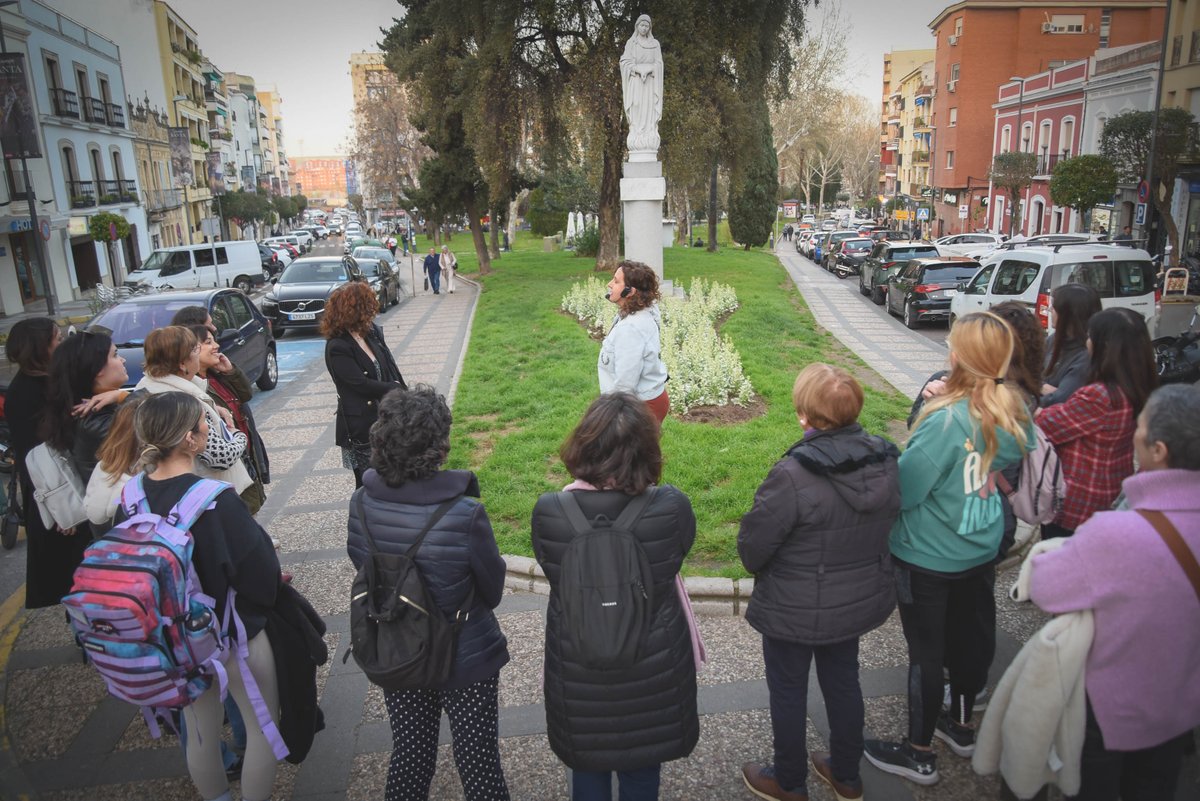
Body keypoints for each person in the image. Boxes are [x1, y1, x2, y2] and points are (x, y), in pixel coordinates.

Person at [864, 312, 1034, 786]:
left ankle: (918, 752)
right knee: (968, 640)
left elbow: (908, 489)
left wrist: (933, 408)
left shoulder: (945, 420)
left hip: (927, 556)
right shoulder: (1013, 408)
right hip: (979, 546)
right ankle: (960, 725)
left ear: (958, 357)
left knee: (927, 651)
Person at [1029, 384, 1200, 800]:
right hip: (1180, 705)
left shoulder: (1119, 531)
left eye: (1138, 428)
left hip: (1111, 710)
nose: (1133, 435)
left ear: (1157, 450)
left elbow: (1045, 588)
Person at [739, 365, 900, 801]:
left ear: (804, 416)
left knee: (789, 690)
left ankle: (789, 781)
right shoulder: (886, 460)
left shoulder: (793, 474)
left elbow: (753, 548)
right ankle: (846, 775)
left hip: (793, 607)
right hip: (855, 601)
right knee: (844, 680)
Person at [531, 392, 698, 801]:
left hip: (579, 665)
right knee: (643, 771)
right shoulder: (671, 507)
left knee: (588, 767)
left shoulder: (551, 512)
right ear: (648, 450)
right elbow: (680, 551)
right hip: (652, 667)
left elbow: (552, 568)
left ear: (584, 444)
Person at [346, 386, 510, 801]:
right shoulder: (464, 513)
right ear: (439, 446)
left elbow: (365, 567)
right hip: (465, 654)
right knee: (478, 762)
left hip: (398, 647)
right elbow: (491, 590)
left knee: (411, 755)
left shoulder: (361, 502)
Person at [124, 391, 282, 801]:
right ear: (191, 441)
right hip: (230, 634)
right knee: (263, 726)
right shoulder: (214, 500)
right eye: (204, 423)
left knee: (200, 731)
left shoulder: (130, 498)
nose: (210, 427)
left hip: (170, 638)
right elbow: (261, 575)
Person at [1036, 308, 1158, 539]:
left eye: (1091, 336)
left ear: (1105, 345)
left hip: (1079, 498)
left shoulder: (1099, 396)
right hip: (1112, 485)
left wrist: (1037, 405)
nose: (1087, 342)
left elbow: (1045, 425)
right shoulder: (1140, 385)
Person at [4, 318, 82, 608]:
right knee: (72, 574)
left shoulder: (49, 379)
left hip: (68, 485)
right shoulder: (26, 393)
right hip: (57, 491)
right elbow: (38, 457)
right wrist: (61, 507)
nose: (62, 344)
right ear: (39, 348)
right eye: (57, 339)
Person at [135, 327, 253, 496]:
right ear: (182, 363)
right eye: (195, 349)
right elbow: (219, 457)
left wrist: (213, 410)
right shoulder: (182, 402)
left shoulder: (148, 387)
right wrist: (238, 436)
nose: (198, 354)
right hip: (206, 495)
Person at [43, 330, 132, 537]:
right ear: (98, 369)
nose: (123, 359)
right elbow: (162, 419)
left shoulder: (94, 412)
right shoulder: (94, 422)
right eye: (115, 354)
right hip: (123, 527)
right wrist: (123, 396)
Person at [322, 281, 406, 488]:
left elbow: (389, 367)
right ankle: (362, 519)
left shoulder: (370, 334)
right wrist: (393, 388)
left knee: (393, 477)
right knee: (368, 483)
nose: (373, 308)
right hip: (362, 426)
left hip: (385, 419)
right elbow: (359, 383)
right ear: (355, 309)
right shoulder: (337, 346)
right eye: (369, 304)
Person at [186, 324, 269, 515]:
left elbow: (245, 395)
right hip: (228, 456)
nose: (216, 346)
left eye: (214, 340)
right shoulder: (194, 389)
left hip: (242, 449)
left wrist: (230, 370)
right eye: (208, 342)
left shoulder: (216, 374)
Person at [598, 260, 669, 425]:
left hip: (640, 406)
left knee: (627, 451)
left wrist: (614, 418)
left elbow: (625, 383)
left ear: (630, 292)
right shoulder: (643, 310)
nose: (609, 284)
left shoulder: (630, 329)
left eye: (616, 281)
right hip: (650, 399)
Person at [1041, 285, 1102, 408]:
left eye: (1054, 307)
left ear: (1068, 315)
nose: (1050, 310)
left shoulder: (1087, 355)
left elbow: (1062, 399)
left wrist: (1036, 386)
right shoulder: (1054, 339)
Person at [619, 14, 663, 153]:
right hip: (637, 83)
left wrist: (649, 69)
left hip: (650, 84)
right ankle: (637, 135)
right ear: (637, 26)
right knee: (637, 105)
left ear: (649, 28)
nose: (644, 28)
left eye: (646, 26)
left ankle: (649, 135)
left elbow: (659, 63)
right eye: (641, 25)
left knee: (648, 108)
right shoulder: (631, 44)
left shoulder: (655, 44)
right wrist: (638, 69)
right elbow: (624, 62)